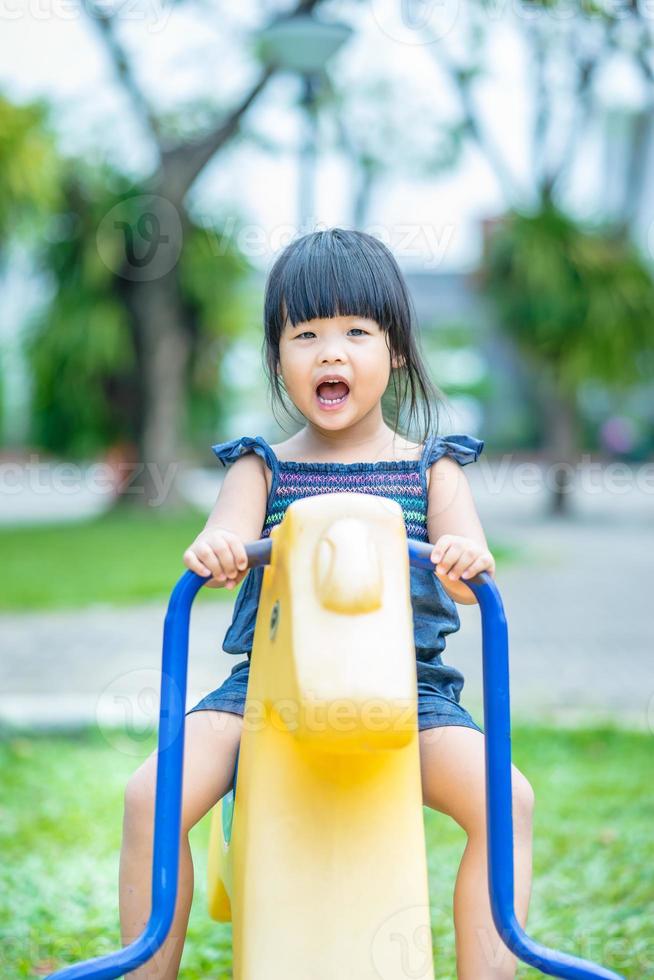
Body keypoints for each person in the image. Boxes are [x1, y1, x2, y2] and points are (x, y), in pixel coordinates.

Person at [119, 228, 534, 979]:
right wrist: (217, 550)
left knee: (509, 802)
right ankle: (145, 967)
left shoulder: (433, 470)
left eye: (356, 332)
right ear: (279, 357)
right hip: (265, 695)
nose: (331, 353)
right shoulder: (261, 466)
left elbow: (472, 575)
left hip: (410, 694)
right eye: (305, 335)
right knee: (152, 795)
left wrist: (467, 561)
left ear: (397, 350)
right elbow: (223, 539)